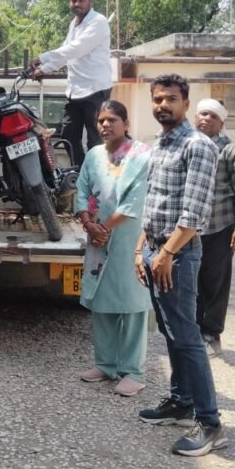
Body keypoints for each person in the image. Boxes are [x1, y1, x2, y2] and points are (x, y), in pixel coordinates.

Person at [134, 73, 225, 457]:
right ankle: (181, 402)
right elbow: (153, 204)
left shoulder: (197, 145)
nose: (163, 105)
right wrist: (141, 251)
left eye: (171, 98)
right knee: (171, 332)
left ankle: (210, 423)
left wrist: (167, 254)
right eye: (157, 99)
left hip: (178, 255)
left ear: (186, 103)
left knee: (187, 337)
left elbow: (193, 213)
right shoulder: (161, 144)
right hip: (157, 252)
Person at [74, 101, 152, 397]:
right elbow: (82, 189)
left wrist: (104, 228)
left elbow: (135, 202)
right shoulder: (94, 154)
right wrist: (88, 223)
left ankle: (133, 371)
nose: (105, 125)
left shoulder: (142, 156)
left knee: (131, 304)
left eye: (112, 120)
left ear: (126, 123)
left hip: (128, 239)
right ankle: (105, 364)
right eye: (101, 120)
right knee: (101, 301)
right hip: (97, 239)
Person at [194, 98, 235, 358]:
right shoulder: (190, 147)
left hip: (220, 228)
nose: (206, 119)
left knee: (215, 283)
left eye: (213, 116)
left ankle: (211, 334)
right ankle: (193, 332)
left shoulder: (231, 152)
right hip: (190, 229)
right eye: (202, 114)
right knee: (190, 282)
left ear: (221, 123)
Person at [29, 0, 112, 168]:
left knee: (96, 139)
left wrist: (42, 58)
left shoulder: (98, 21)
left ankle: (96, 176)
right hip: (75, 90)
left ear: (91, 1)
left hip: (95, 89)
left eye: (81, 0)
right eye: (73, 0)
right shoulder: (73, 24)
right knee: (68, 136)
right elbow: (66, 53)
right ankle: (81, 171)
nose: (77, 4)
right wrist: (45, 69)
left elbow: (76, 49)